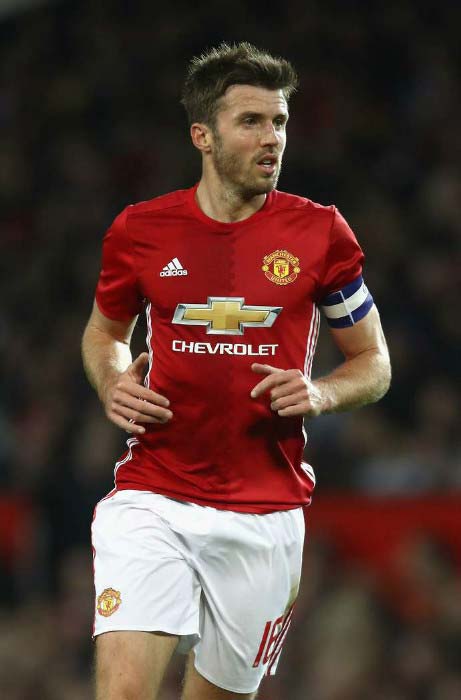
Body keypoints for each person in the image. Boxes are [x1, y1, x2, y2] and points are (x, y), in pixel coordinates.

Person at [82, 42, 391, 700]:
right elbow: (106, 333)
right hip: (154, 495)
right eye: (250, 121)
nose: (271, 137)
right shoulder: (140, 231)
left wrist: (319, 391)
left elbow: (373, 364)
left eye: (278, 121)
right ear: (202, 135)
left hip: (264, 515)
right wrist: (112, 380)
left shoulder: (320, 234)